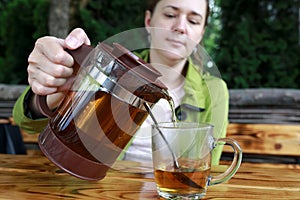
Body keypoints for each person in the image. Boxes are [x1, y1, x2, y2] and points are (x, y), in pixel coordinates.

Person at [13, 0, 229, 165]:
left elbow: (208, 164)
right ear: (148, 21)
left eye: (193, 21)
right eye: (170, 14)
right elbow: (24, 121)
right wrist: (52, 91)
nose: (181, 27)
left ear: (200, 34)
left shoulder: (215, 91)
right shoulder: (113, 69)